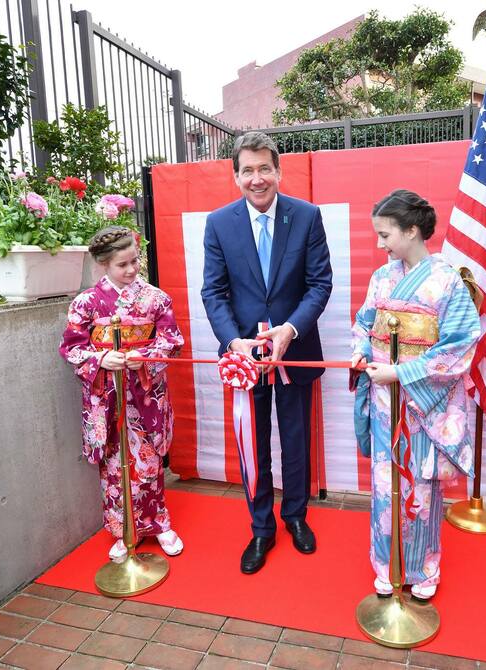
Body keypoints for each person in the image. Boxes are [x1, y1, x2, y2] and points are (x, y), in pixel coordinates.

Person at [201, 132, 333, 574]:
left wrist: (291, 329)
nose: (257, 179)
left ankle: (295, 516)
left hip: (293, 351)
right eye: (247, 171)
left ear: (278, 170)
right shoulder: (218, 223)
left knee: (296, 440)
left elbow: (320, 284)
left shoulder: (307, 217)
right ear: (235, 175)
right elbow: (213, 292)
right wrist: (231, 340)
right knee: (252, 446)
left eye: (264, 169)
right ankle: (261, 528)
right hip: (244, 356)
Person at [351, 189, 480, 600]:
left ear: (411, 231)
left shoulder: (446, 281)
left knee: (420, 486)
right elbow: (364, 321)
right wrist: (359, 348)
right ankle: (386, 564)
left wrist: (401, 371)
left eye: (385, 234)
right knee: (384, 484)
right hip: (383, 399)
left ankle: (424, 569)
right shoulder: (382, 277)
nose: (380, 243)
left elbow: (460, 344)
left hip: (423, 403)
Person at [59, 226, 185, 562]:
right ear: (103, 264)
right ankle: (122, 529)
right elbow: (71, 347)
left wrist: (143, 357)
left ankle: (158, 523)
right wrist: (101, 357)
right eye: (122, 264)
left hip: (145, 392)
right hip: (107, 394)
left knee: (149, 460)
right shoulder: (86, 303)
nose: (131, 270)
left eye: (134, 261)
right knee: (114, 465)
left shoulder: (156, 299)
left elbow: (171, 342)